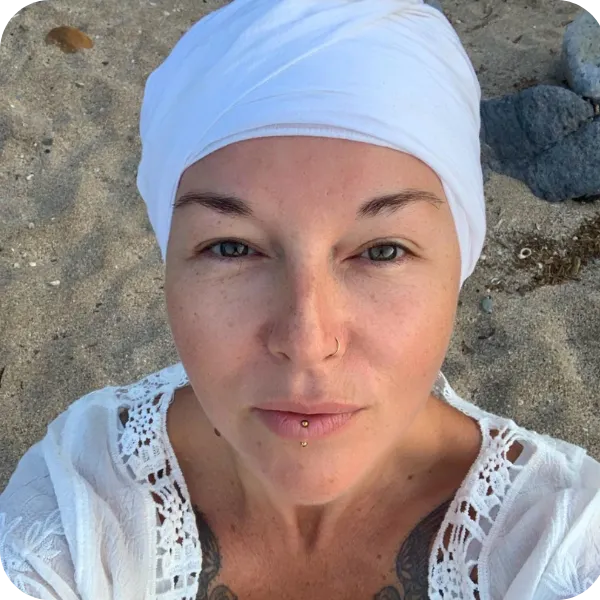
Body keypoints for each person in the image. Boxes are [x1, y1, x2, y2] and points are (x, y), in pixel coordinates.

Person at [0, 1, 599, 598]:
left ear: (458, 261)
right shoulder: (78, 512)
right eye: (232, 248)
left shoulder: (564, 541)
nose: (307, 341)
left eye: (383, 251)